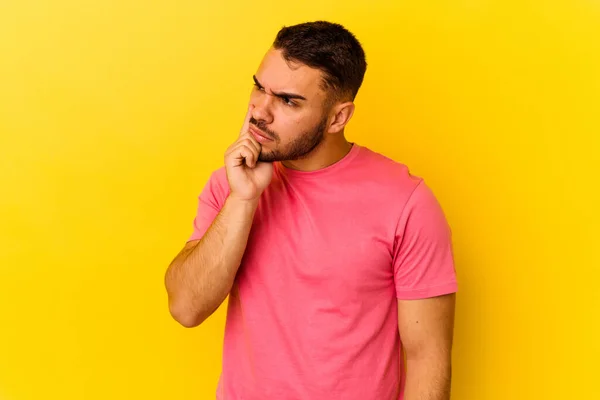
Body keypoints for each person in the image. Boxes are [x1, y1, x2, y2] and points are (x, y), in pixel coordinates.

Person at [164, 20, 458, 400]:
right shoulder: (231, 186)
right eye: (259, 87)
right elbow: (186, 308)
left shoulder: (407, 202)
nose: (260, 112)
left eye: (287, 100)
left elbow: (427, 359)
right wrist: (243, 199)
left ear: (338, 117)